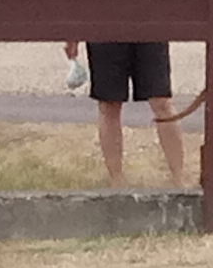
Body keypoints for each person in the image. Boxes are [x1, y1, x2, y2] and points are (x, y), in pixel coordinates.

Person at [62, 37, 192, 186]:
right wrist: (73, 38)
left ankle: (178, 178)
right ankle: (116, 181)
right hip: (105, 32)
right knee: (109, 104)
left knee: (162, 102)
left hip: (149, 30)